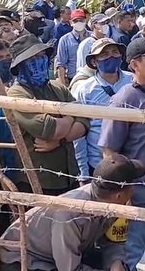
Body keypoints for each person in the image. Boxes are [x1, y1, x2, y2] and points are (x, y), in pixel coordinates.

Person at [99, 38, 145, 271]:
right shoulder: (124, 100)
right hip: (136, 196)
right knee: (127, 258)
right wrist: (121, 194)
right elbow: (109, 152)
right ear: (134, 65)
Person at [0, 155, 142, 271]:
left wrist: (115, 262)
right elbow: (68, 268)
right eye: (133, 184)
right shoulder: (71, 214)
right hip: (23, 259)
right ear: (119, 195)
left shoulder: (111, 204)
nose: (135, 188)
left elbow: (111, 241)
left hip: (58, 256)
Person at [6, 34, 89, 195]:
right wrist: (71, 113)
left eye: (42, 56)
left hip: (69, 175)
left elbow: (84, 121)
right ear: (20, 66)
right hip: (38, 180)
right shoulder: (17, 94)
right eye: (32, 59)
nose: (39, 61)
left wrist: (61, 140)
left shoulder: (57, 87)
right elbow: (51, 129)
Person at [74, 38, 133, 180]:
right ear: (94, 62)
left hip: (132, 160)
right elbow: (80, 134)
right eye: (104, 54)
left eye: (115, 52)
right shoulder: (84, 90)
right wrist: (83, 172)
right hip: (99, 163)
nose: (111, 56)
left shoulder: (133, 81)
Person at [56, 9, 89, 85]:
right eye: (76, 21)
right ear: (71, 22)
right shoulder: (64, 40)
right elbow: (61, 64)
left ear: (85, 21)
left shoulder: (92, 37)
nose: (79, 23)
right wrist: (63, 86)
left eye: (81, 20)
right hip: (73, 79)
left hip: (91, 79)